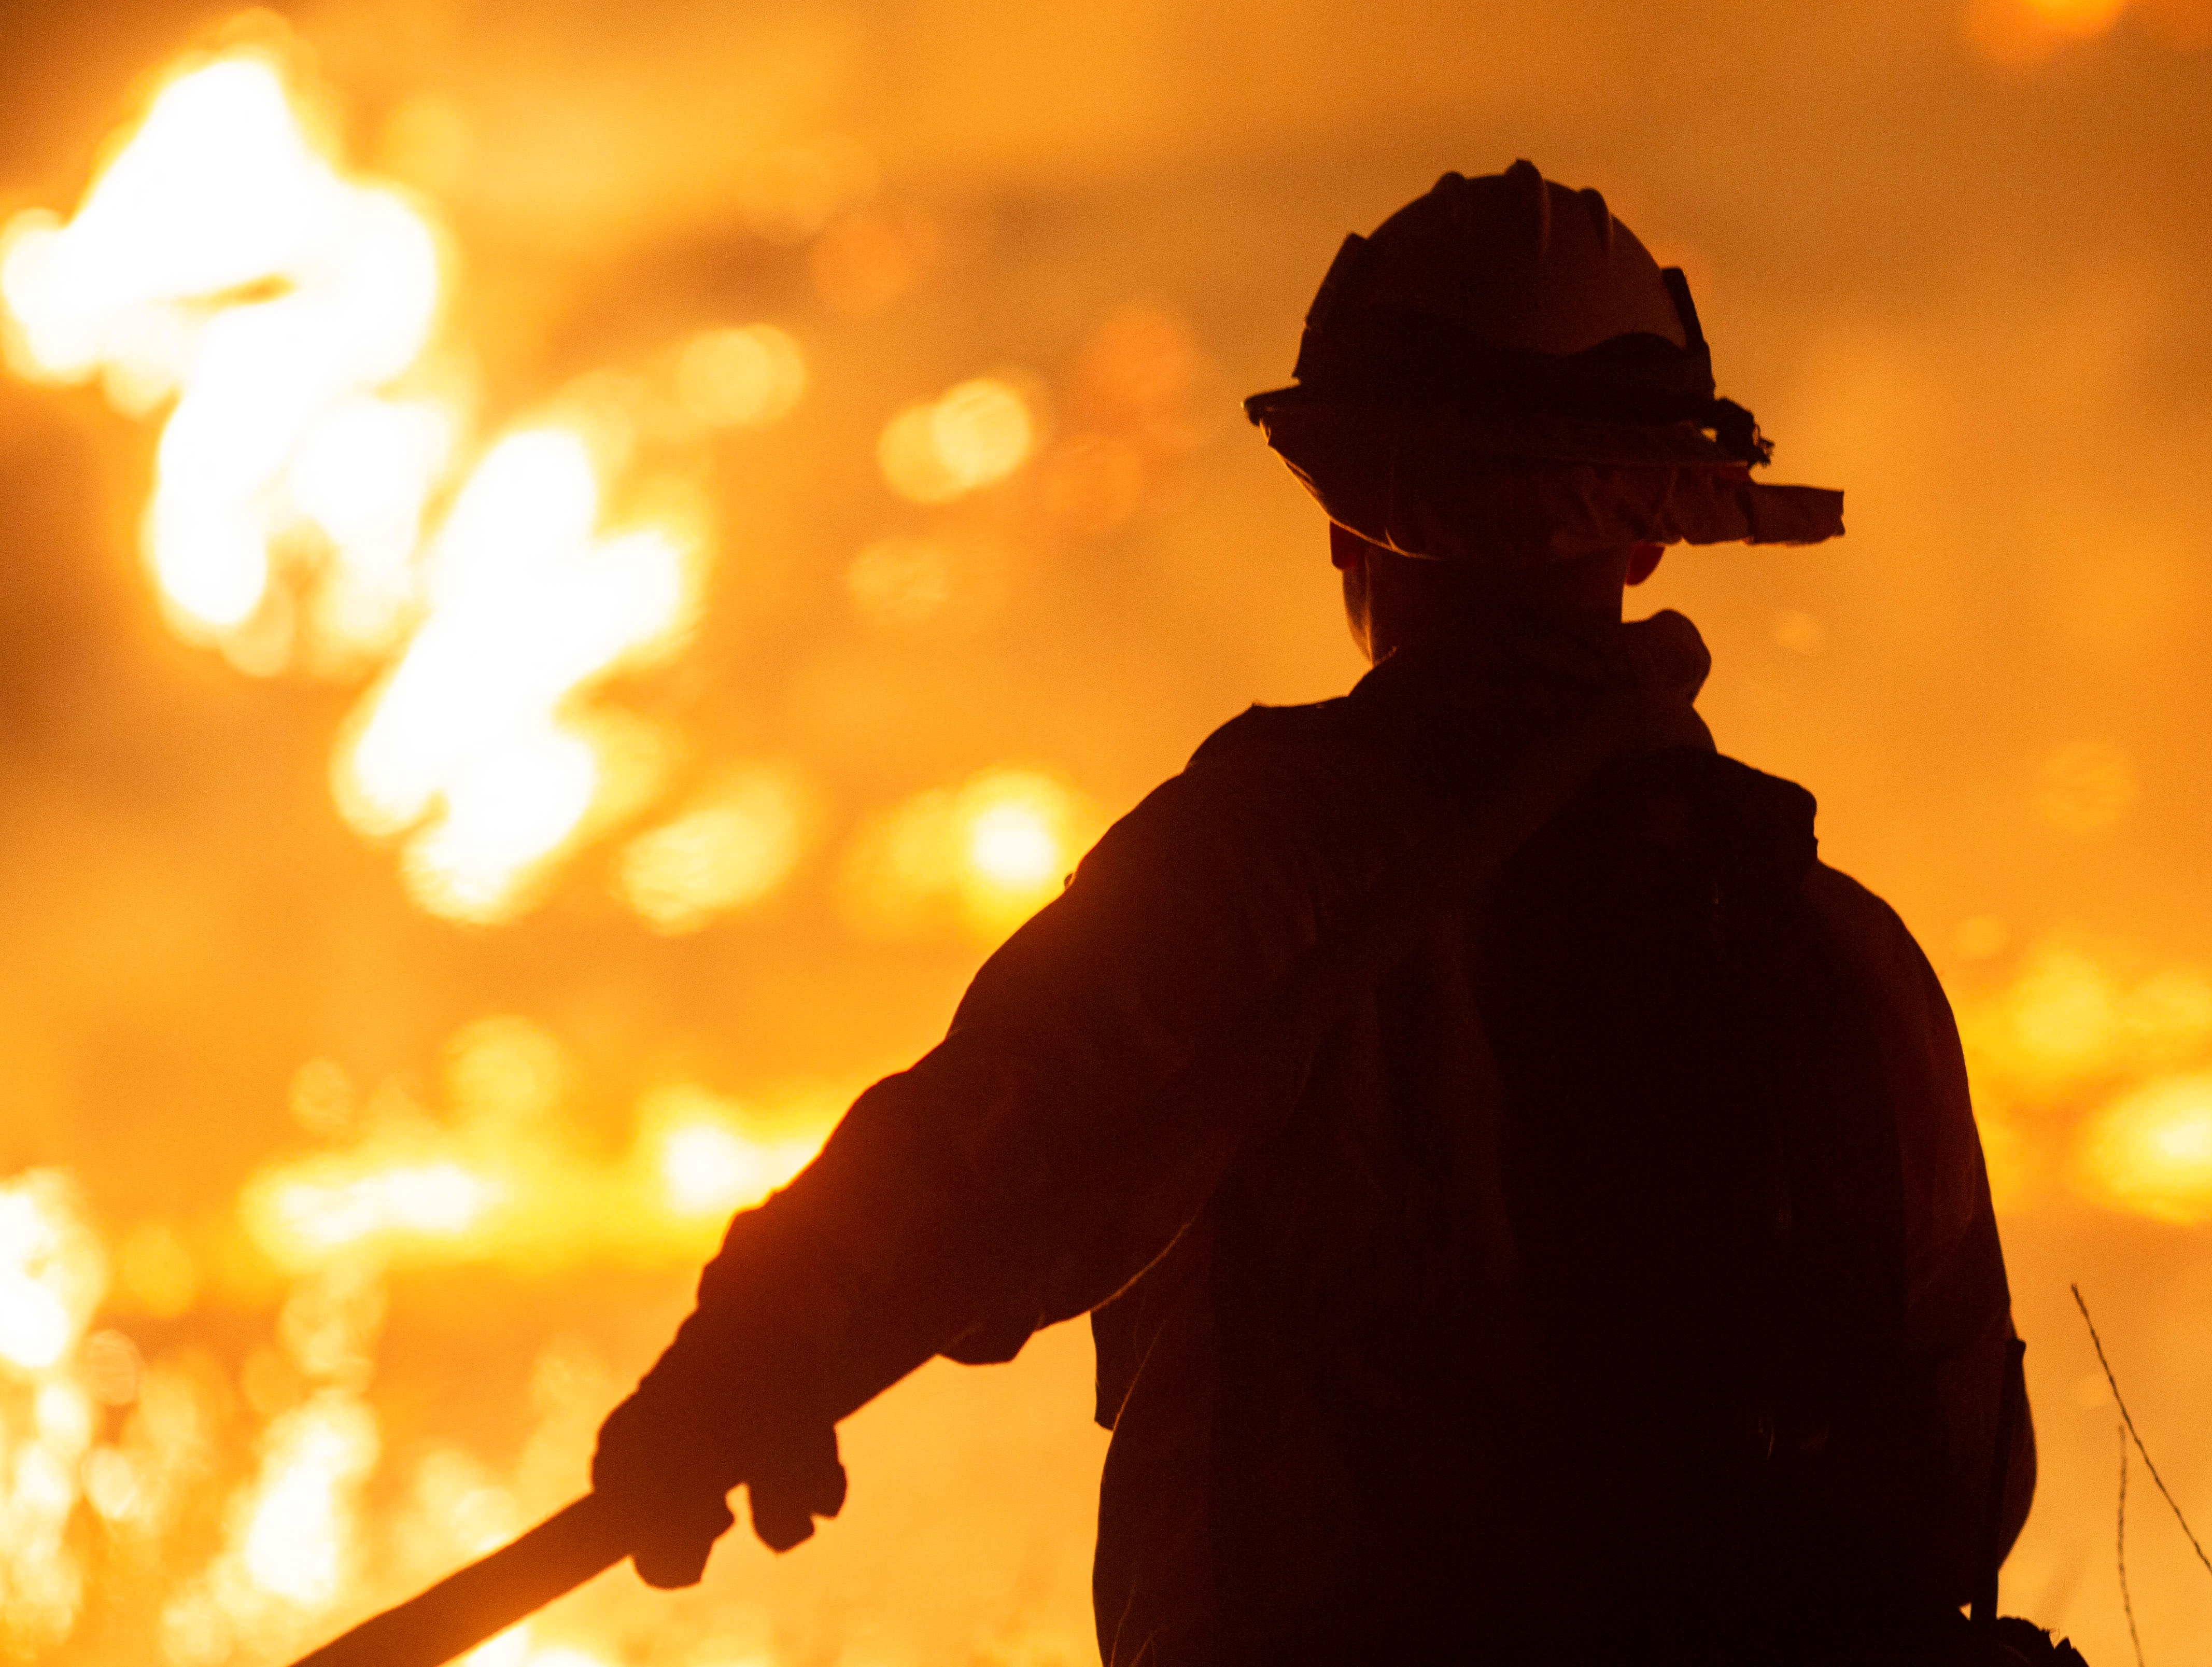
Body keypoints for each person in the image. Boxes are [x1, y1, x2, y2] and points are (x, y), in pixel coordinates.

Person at [591, 161, 2044, 1665]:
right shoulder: (1838, 946)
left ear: (1348, 516)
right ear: (1650, 532)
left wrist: (750, 1344)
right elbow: (1964, 1477)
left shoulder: (1270, 871)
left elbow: (995, 1141)